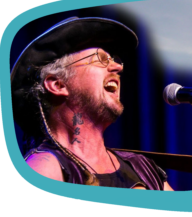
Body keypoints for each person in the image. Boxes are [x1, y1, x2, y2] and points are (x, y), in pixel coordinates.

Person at [11, 17, 173, 190]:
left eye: (114, 59)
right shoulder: (45, 168)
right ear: (58, 85)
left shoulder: (142, 167)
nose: (118, 68)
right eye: (100, 59)